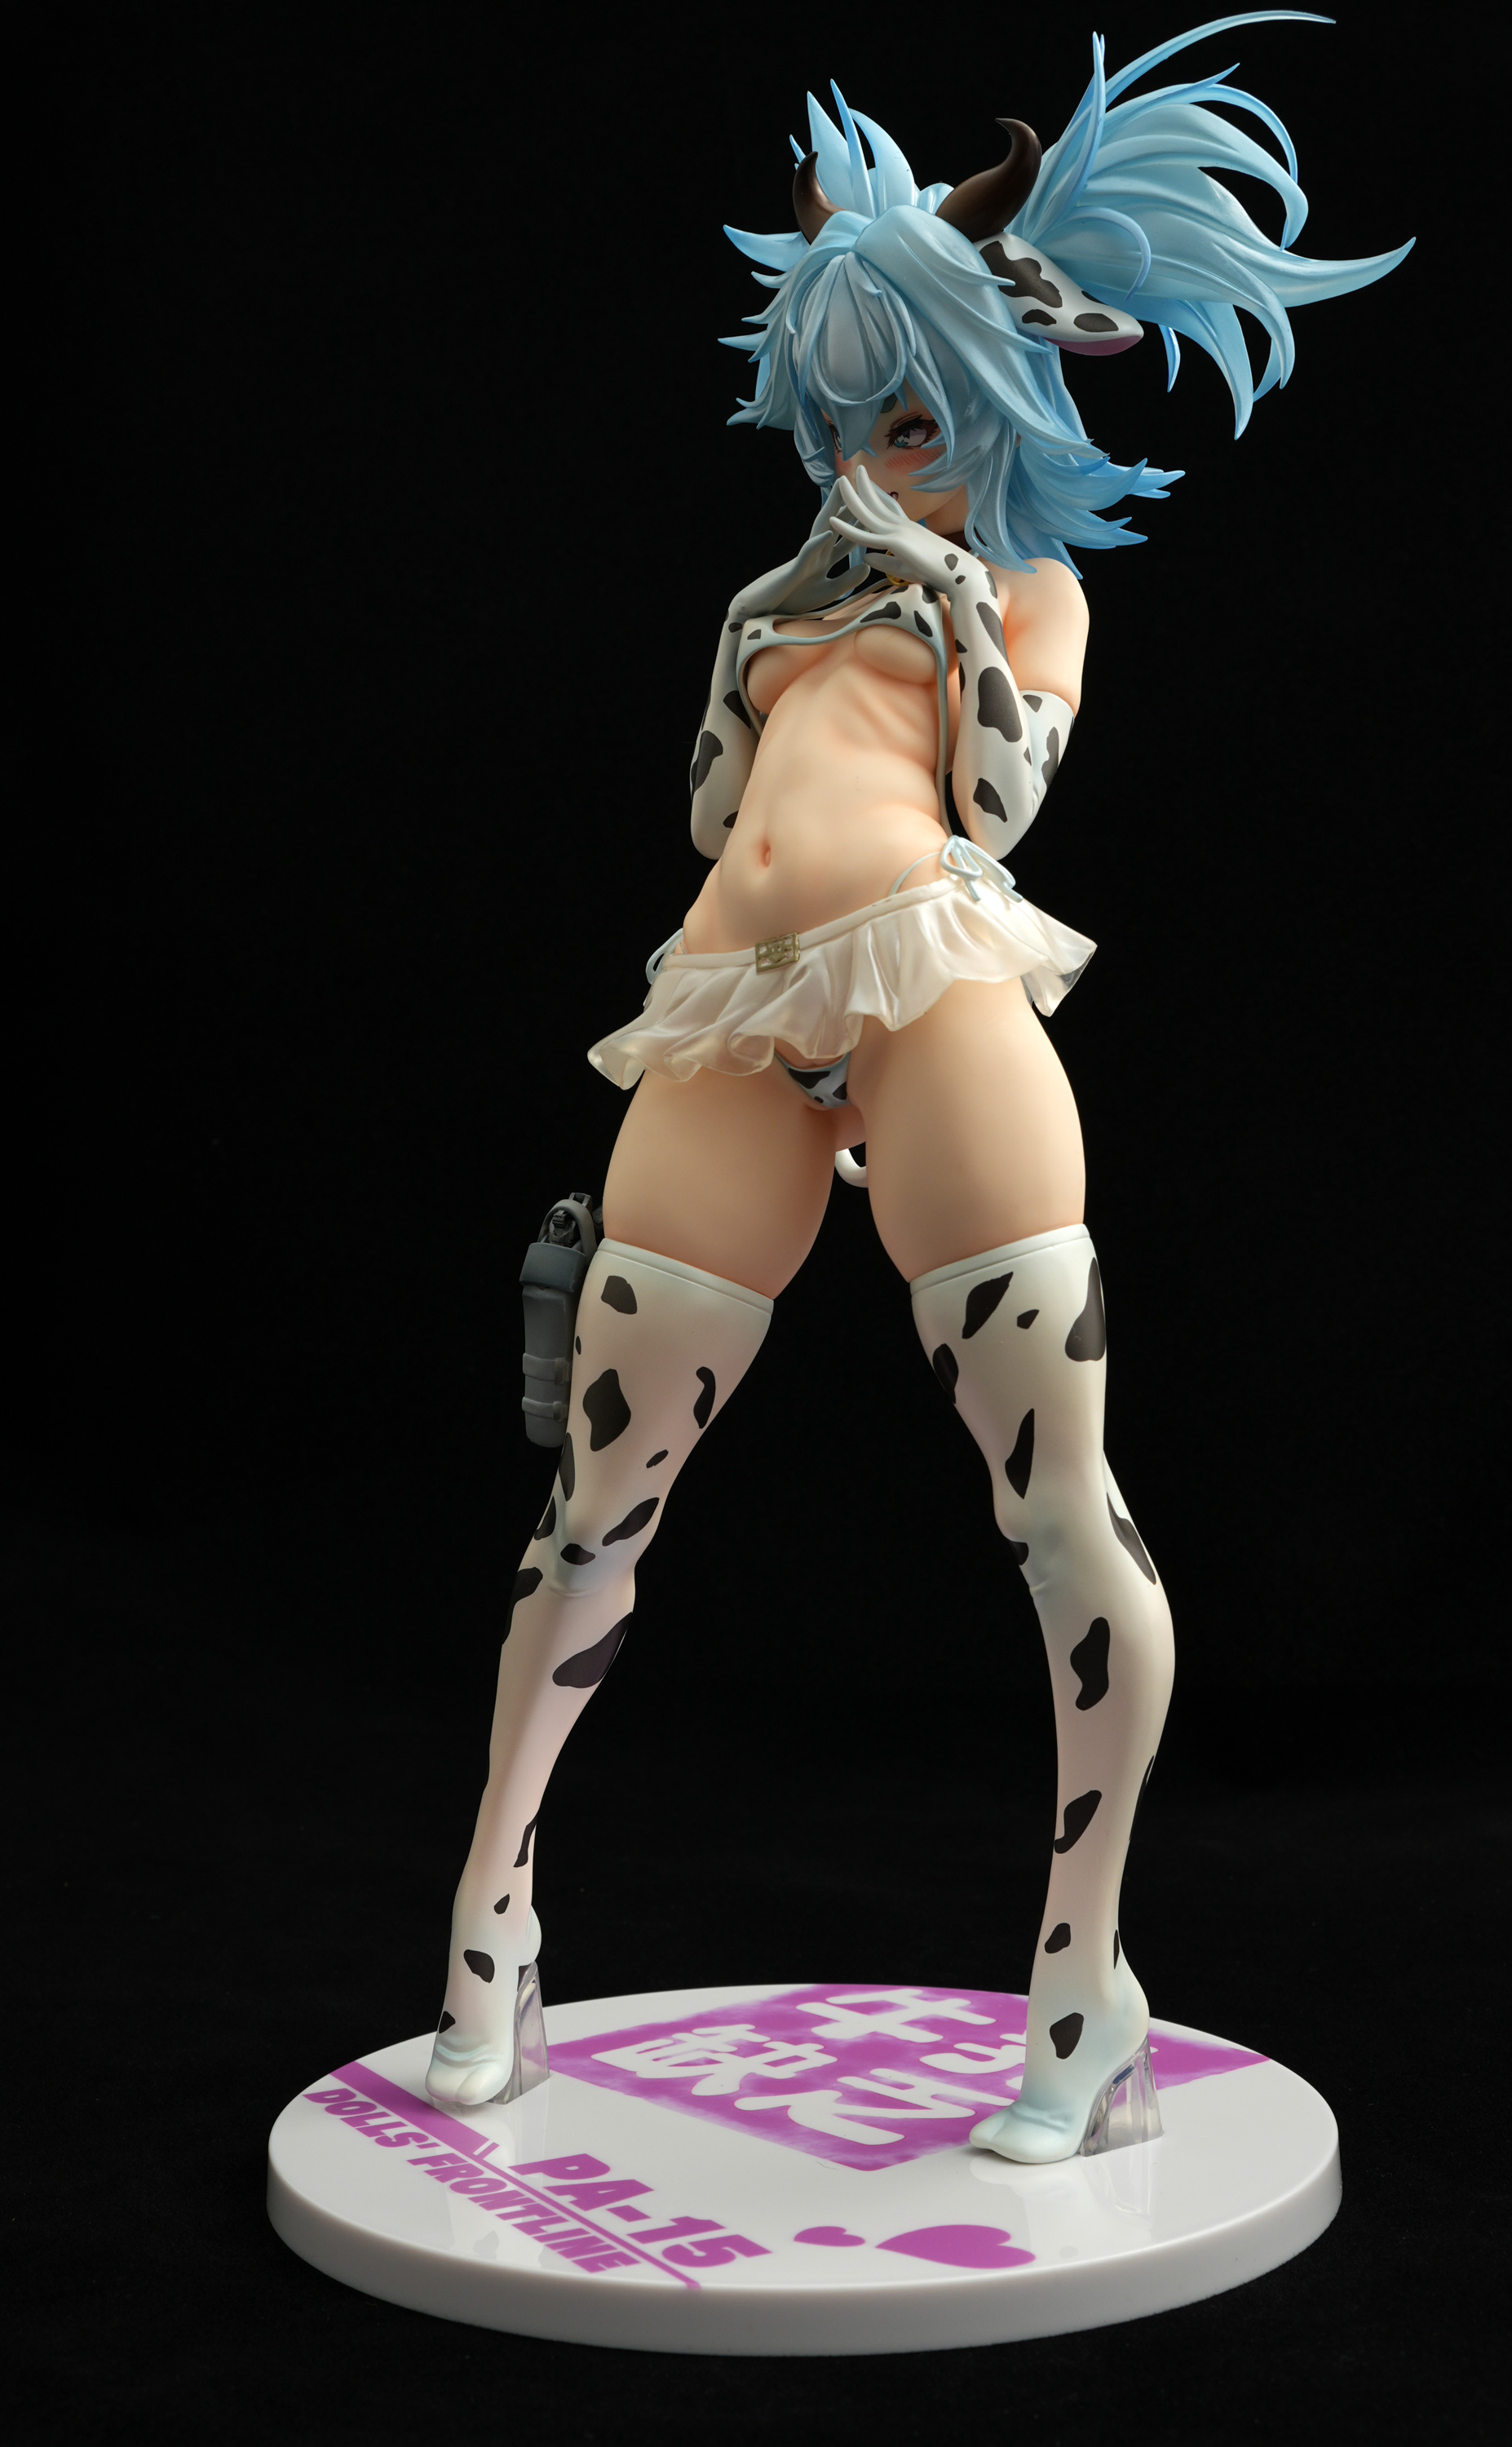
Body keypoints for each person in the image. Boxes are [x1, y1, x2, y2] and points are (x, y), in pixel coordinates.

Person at [425, 15, 1410, 2160]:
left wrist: (951, 600)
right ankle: (491, 1922)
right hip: (732, 1008)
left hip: (937, 993)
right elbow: (716, 817)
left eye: (906, 411)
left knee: (1057, 1505)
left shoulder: (1031, 587)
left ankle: (1086, 1986)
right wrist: (771, 628)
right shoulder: (776, 611)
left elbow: (1004, 801)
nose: (866, 452)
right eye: (841, 414)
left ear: (988, 397)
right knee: (596, 1497)